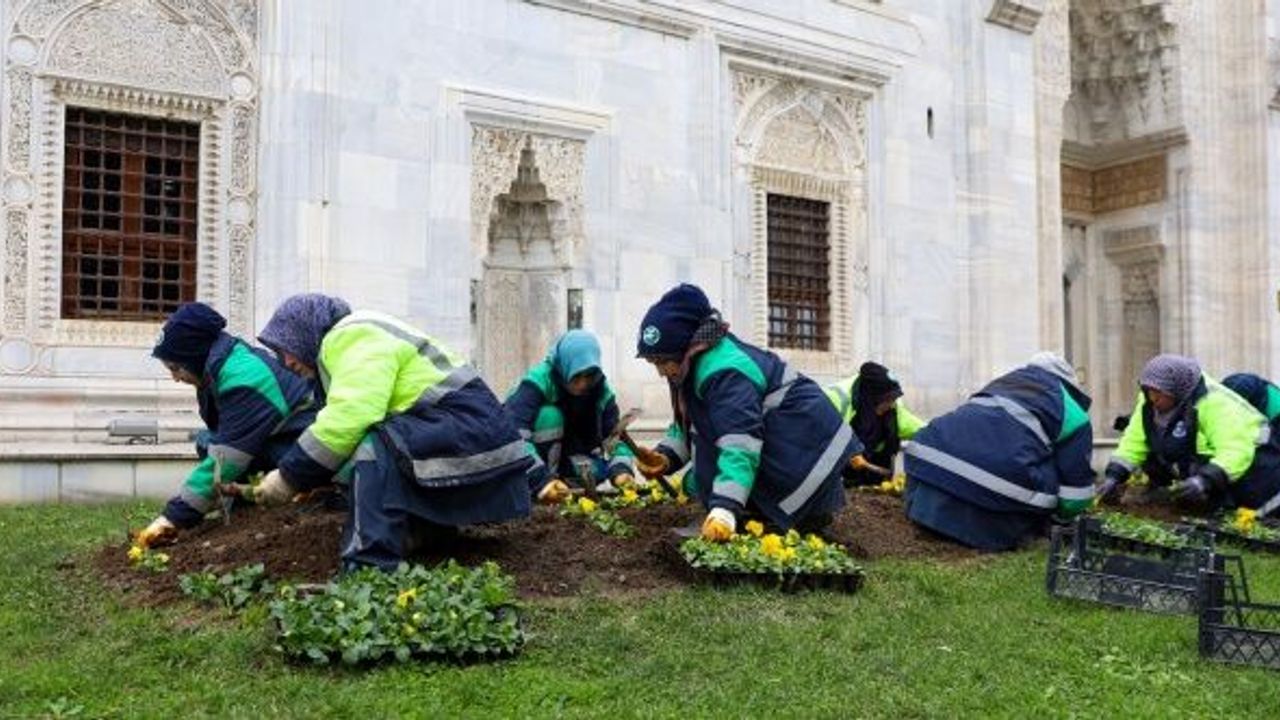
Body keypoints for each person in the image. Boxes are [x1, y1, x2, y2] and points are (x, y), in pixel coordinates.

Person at [243, 294, 533, 571]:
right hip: (478, 436)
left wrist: (288, 477)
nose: (287, 363)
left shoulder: (350, 337)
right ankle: (427, 533)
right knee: (387, 442)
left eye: (286, 349)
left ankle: (368, 567)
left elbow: (351, 415)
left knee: (377, 443)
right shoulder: (358, 335)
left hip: (472, 434)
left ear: (305, 332)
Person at [631, 284, 857, 540]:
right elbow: (691, 421)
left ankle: (782, 521)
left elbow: (740, 442)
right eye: (654, 363)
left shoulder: (726, 372)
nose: (661, 371)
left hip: (806, 456)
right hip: (792, 451)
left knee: (778, 525)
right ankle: (756, 516)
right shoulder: (688, 366)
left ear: (686, 348)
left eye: (663, 361)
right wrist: (666, 456)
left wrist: (725, 509)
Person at [132, 303, 317, 547]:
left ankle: (295, 502)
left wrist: (172, 519)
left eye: (176, 368)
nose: (175, 378)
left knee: (220, 452)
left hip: (303, 453)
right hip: (277, 444)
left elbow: (228, 457)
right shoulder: (214, 373)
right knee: (206, 440)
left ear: (195, 356)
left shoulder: (244, 378)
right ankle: (243, 512)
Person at [902, 352, 1095, 551]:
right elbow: (1076, 493)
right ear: (1071, 386)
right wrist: (1061, 520)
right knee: (1052, 469)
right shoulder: (1073, 413)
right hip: (997, 511)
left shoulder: (1000, 384)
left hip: (927, 469)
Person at [1099, 355, 1280, 517]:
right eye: (1148, 392)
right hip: (1221, 463)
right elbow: (1135, 439)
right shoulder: (1149, 400)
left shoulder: (1214, 404)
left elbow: (1235, 451)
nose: (1153, 399)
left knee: (1259, 517)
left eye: (1158, 394)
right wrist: (1114, 475)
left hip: (1258, 466)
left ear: (1177, 391)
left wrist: (1204, 480)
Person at [505, 330, 638, 497]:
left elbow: (615, 438)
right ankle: (541, 485)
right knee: (549, 416)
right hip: (533, 464)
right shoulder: (538, 381)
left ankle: (564, 485)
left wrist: (622, 471)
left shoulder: (601, 390)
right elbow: (512, 434)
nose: (583, 384)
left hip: (571, 454)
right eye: (576, 376)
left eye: (589, 376)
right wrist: (541, 480)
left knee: (595, 471)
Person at [824, 362, 926, 486]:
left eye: (894, 399)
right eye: (888, 400)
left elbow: (924, 430)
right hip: (834, 478)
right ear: (871, 397)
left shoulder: (892, 411)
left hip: (871, 478)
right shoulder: (835, 401)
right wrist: (845, 454)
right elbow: (816, 441)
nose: (892, 404)